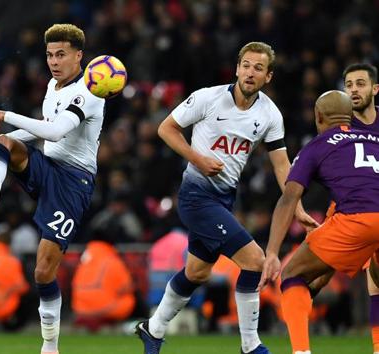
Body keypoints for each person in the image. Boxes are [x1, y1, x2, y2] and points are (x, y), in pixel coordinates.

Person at [135, 42, 319, 354]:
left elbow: (281, 165)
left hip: (224, 199)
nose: (250, 72)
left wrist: (297, 205)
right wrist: (198, 159)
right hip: (195, 196)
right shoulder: (208, 98)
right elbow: (166, 129)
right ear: (237, 68)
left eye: (258, 68)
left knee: (197, 272)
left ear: (268, 76)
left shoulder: (270, 114)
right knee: (255, 261)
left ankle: (152, 329)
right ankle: (251, 345)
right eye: (246, 65)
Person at [0, 23, 104, 354]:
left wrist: (7, 116)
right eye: (49, 54)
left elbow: (58, 131)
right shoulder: (51, 85)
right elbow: (44, 131)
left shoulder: (88, 91)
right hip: (48, 167)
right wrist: (7, 137)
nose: (54, 61)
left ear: (79, 56)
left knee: (43, 271)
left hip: (73, 182)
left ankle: (50, 346)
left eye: (61, 54)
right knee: (4, 144)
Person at [258, 90, 379, 354]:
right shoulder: (376, 139)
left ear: (318, 117)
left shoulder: (320, 144)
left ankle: (301, 351)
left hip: (359, 219)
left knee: (292, 274)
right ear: (350, 115)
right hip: (365, 216)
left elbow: (289, 198)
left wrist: (272, 252)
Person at [306, 63, 379, 352]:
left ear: (375, 89)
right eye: (348, 85)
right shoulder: (341, 127)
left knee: (375, 281)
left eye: (360, 84)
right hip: (347, 207)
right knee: (319, 276)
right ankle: (296, 313)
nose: (353, 90)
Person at [71, 232, 135, 332]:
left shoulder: (83, 261)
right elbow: (127, 287)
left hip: (80, 309)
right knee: (129, 299)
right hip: (105, 309)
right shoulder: (112, 260)